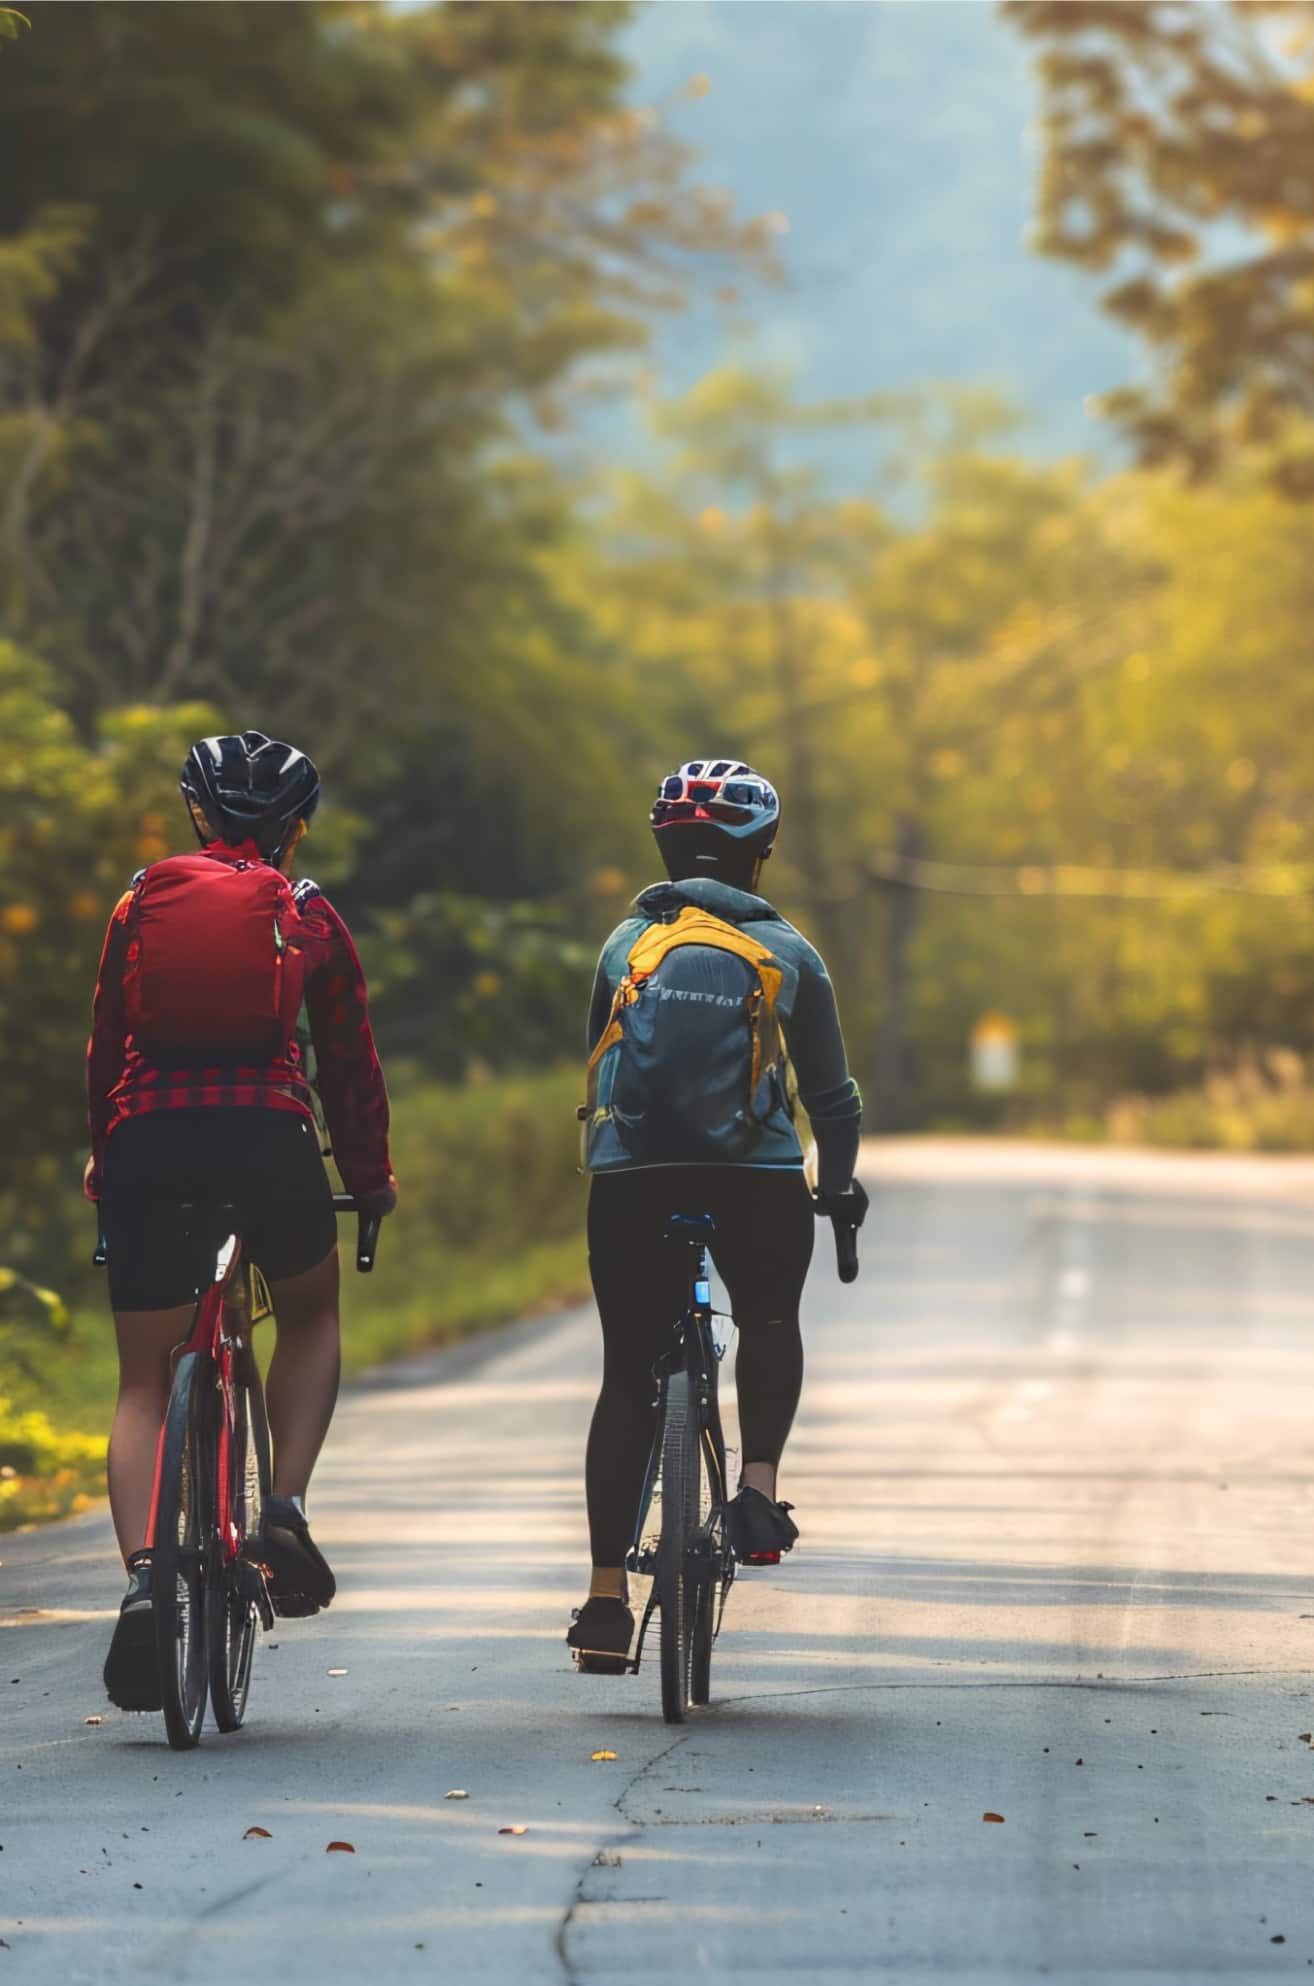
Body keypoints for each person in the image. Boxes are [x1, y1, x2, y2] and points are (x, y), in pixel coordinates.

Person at [85, 731, 397, 1711]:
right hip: (266, 1135)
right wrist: (368, 1179)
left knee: (143, 1379)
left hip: (147, 1138)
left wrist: (108, 1156)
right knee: (308, 1311)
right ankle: (287, 1511)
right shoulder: (307, 912)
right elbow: (349, 1063)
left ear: (197, 814)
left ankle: (145, 1576)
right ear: (297, 827)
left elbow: (105, 1043)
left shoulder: (140, 902)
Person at [568, 758, 866, 1668]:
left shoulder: (627, 945)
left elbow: (599, 1068)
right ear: (761, 852)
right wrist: (839, 1186)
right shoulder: (791, 952)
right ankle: (759, 1488)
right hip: (756, 1177)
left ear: (662, 843)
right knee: (771, 1314)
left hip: (633, 1176)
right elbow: (833, 1096)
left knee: (627, 1372)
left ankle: (606, 1598)